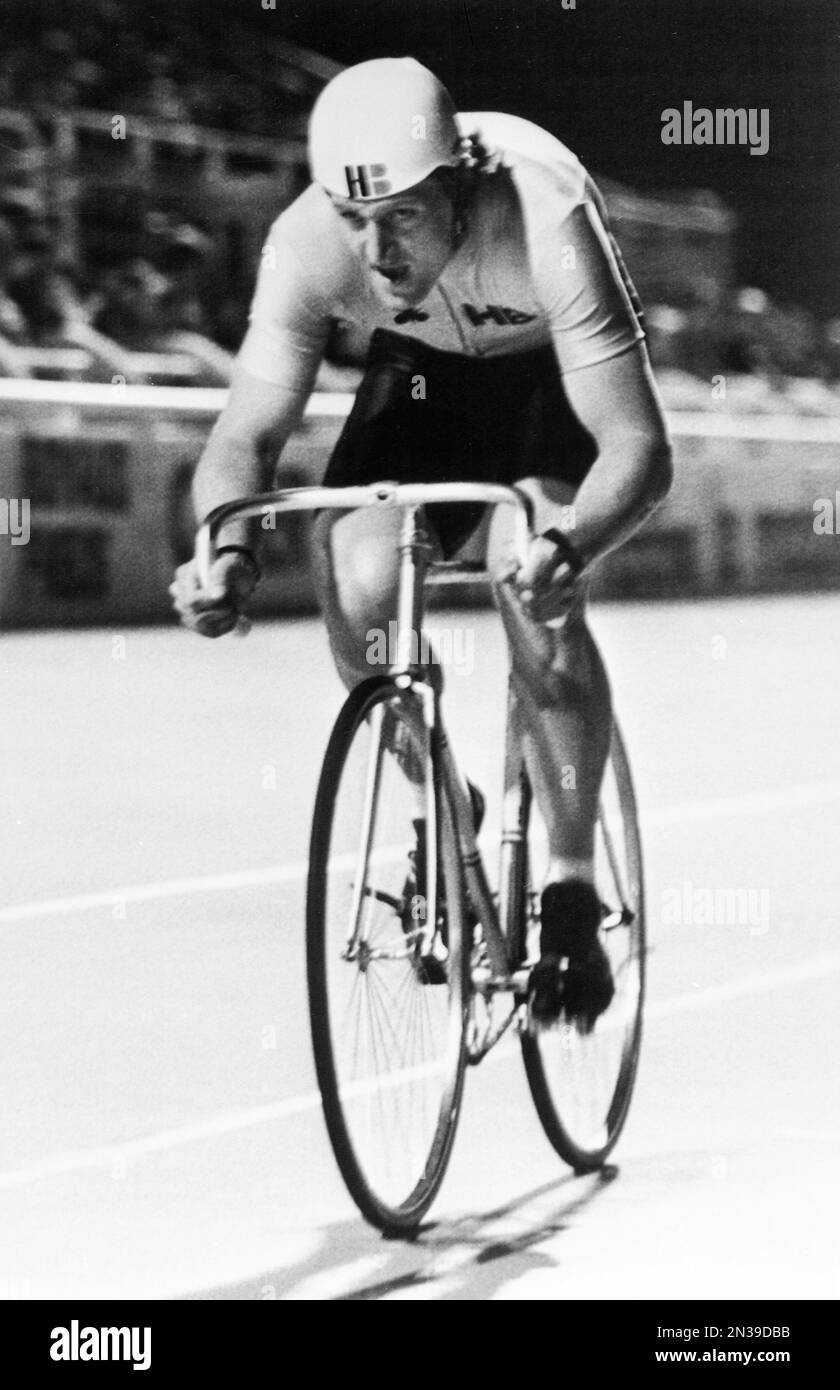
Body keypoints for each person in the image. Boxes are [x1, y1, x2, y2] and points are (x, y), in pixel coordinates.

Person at [170, 58, 672, 1029]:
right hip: (426, 378)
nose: (374, 247)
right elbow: (244, 437)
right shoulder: (311, 240)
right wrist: (222, 550)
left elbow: (638, 448)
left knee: (529, 576)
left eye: (399, 214)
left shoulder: (543, 211)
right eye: (355, 219)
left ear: (462, 181)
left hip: (549, 380)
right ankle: (448, 804)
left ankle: (569, 888)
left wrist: (570, 546)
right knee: (358, 576)